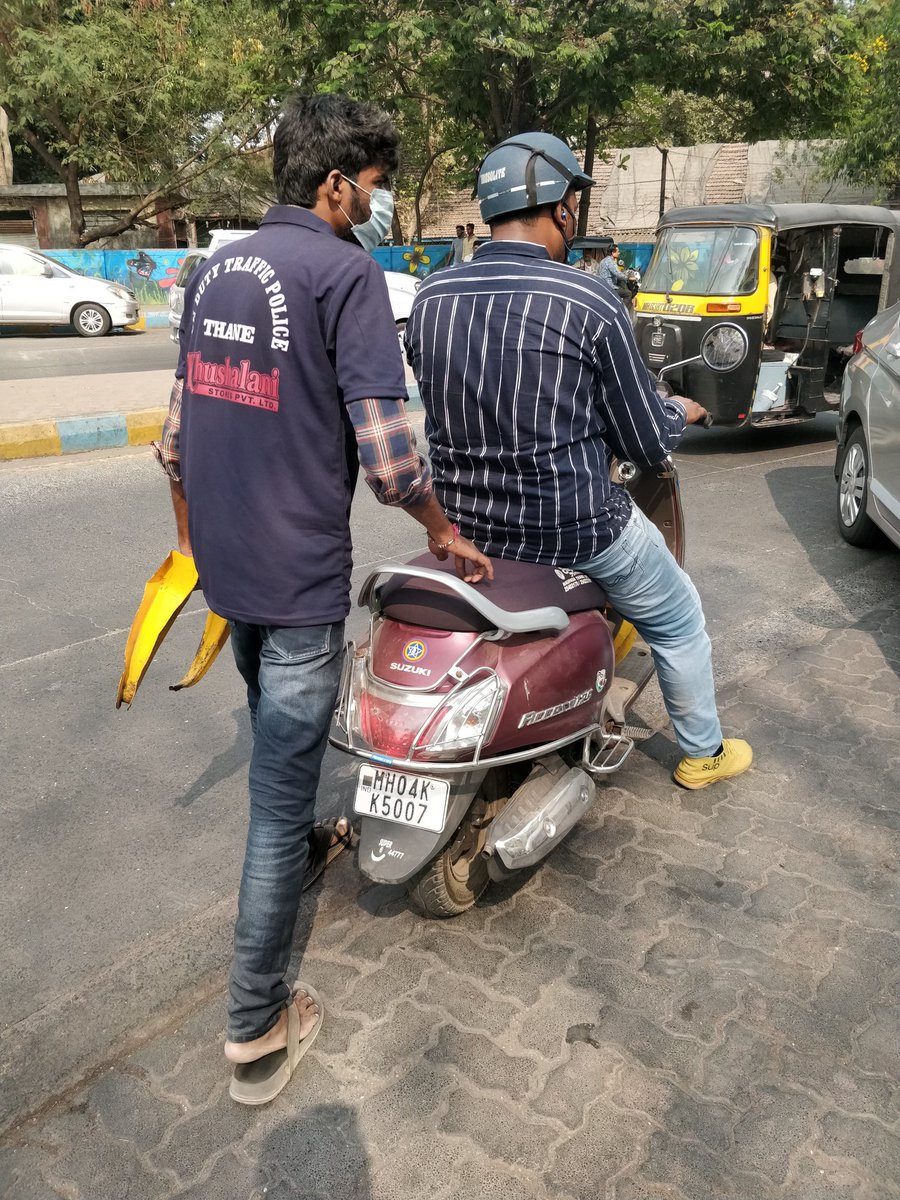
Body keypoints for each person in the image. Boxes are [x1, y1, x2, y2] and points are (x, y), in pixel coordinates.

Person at [155, 92, 491, 1106]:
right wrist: (439, 525)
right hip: (296, 579)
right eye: (378, 188)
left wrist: (191, 545)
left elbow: (174, 438)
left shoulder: (215, 268)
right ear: (337, 184)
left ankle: (301, 848)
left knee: (272, 743)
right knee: (272, 803)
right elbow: (390, 456)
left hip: (230, 568)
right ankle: (256, 1027)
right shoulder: (344, 272)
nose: (378, 207)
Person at [405, 131, 752, 790]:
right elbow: (646, 442)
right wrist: (684, 412)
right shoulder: (588, 301)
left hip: (465, 528)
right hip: (573, 527)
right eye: (573, 204)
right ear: (561, 207)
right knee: (678, 617)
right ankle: (703, 753)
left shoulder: (431, 298)